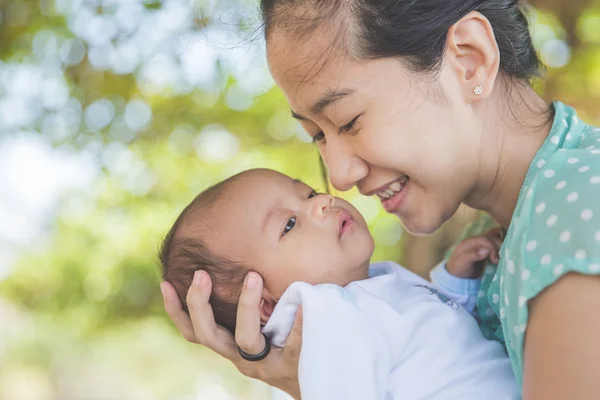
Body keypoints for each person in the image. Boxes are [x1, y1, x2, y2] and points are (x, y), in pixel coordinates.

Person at [159, 1, 600, 398]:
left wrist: (307, 382)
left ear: (469, 61)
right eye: (317, 136)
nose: (339, 177)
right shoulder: (509, 234)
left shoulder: (574, 205)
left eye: (347, 122)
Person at [160, 168, 516, 399]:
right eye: (289, 225)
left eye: (310, 193)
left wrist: (455, 283)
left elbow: (429, 344)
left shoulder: (367, 287)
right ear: (264, 304)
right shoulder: (324, 318)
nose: (323, 203)